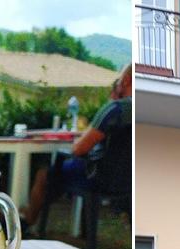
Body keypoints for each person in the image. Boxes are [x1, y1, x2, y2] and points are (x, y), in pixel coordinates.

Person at [22, 64, 133, 231]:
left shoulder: (116, 109)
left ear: (126, 80)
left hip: (98, 178)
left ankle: (28, 221)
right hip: (128, 183)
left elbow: (78, 149)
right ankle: (83, 233)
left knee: (45, 174)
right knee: (66, 170)